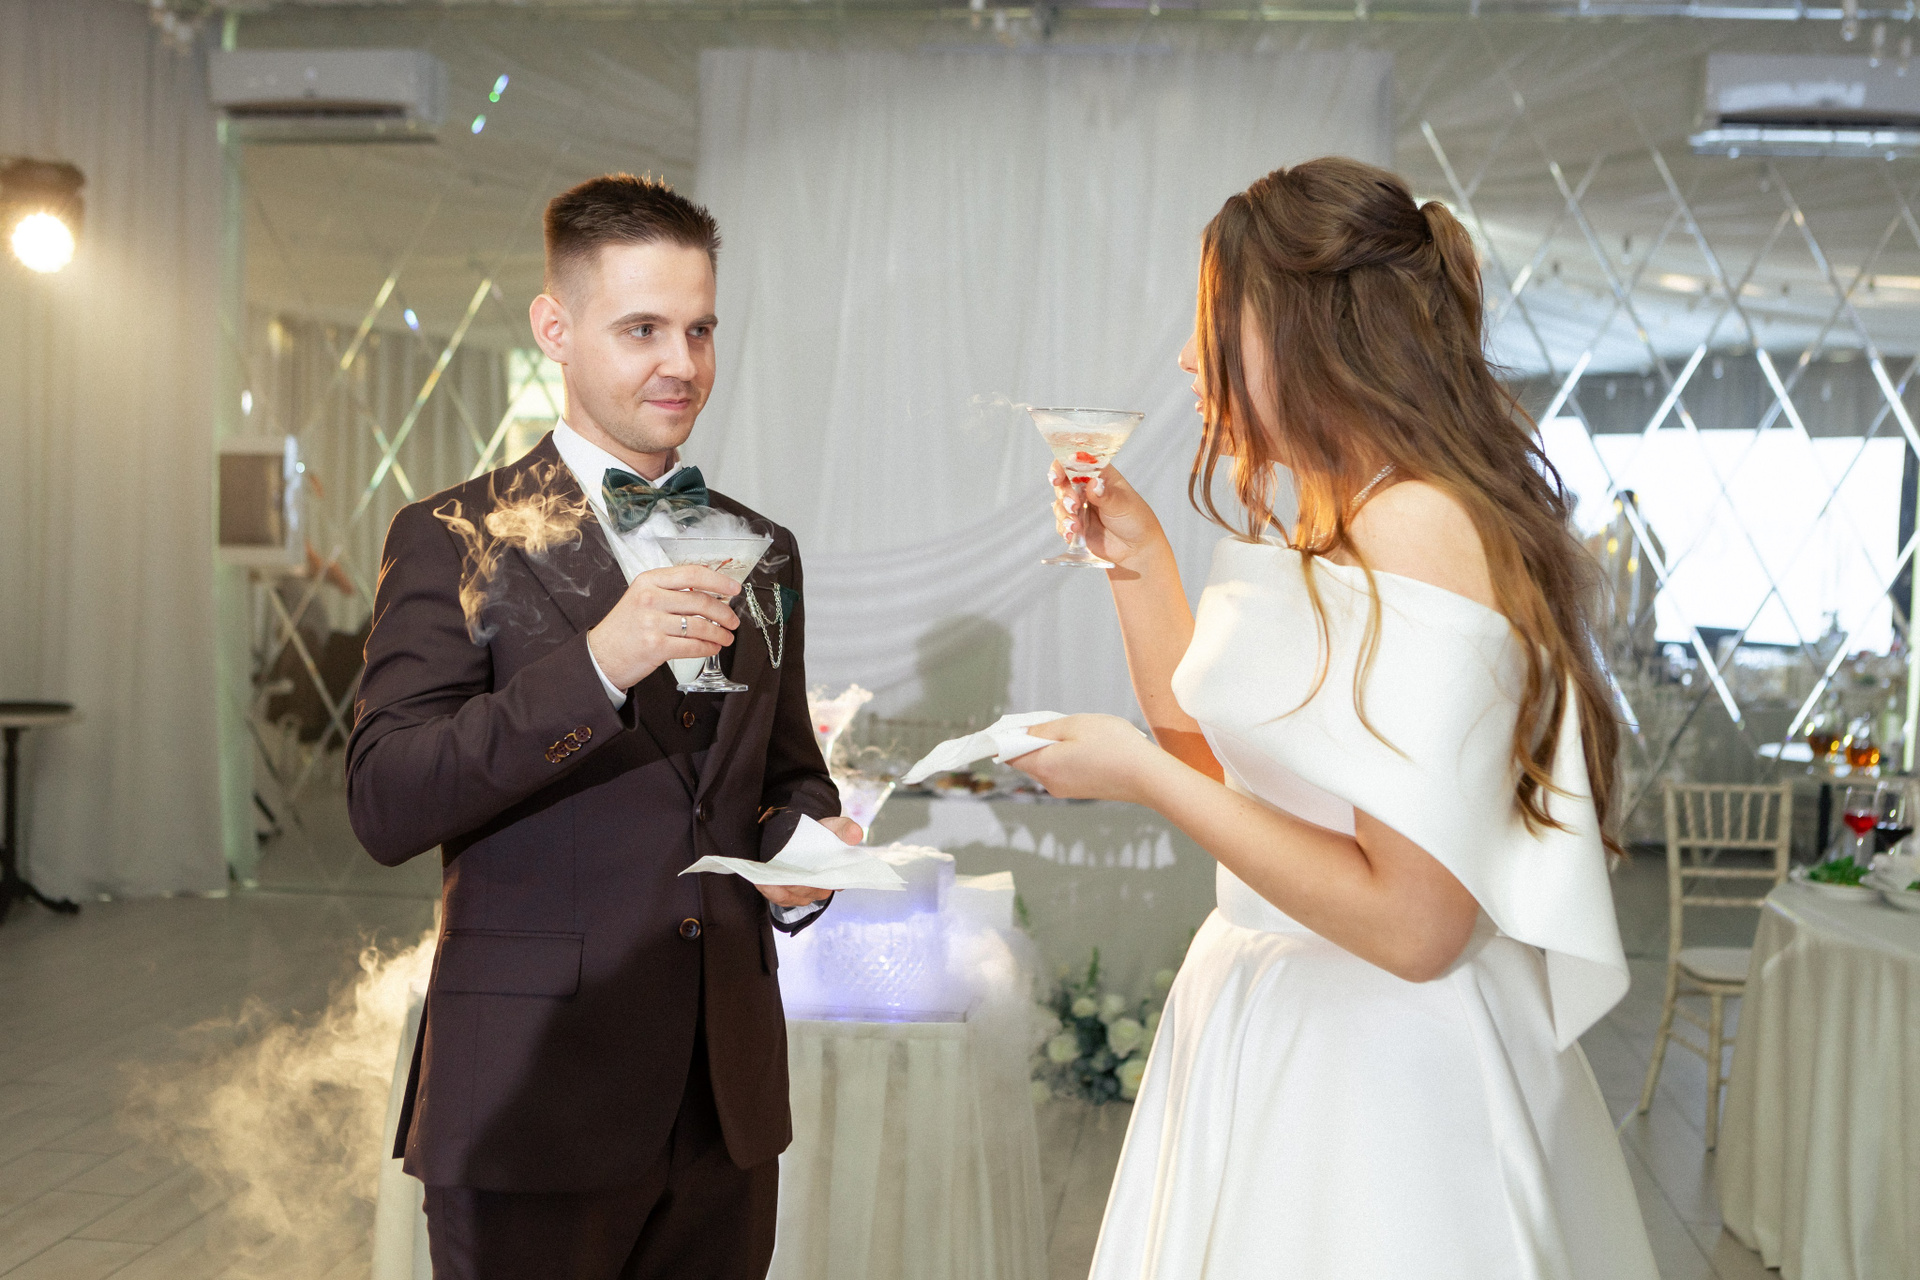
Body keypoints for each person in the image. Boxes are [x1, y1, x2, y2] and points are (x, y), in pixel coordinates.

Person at [1011, 158, 1659, 1279]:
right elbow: (1232, 772)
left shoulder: (1414, 526)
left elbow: (1417, 925)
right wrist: (1140, 560)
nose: (1186, 357)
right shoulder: (1357, 509)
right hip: (1282, 1014)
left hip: (1378, 1070)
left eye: (1212, 316)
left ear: (1304, 326)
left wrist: (1141, 775)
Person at [345, 174, 858, 1280]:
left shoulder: (763, 548)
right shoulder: (453, 535)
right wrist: (597, 666)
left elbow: (787, 775)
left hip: (723, 1102)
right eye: (642, 329)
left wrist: (802, 847)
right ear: (555, 329)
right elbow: (386, 798)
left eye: (700, 329)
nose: (683, 363)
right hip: (530, 1097)